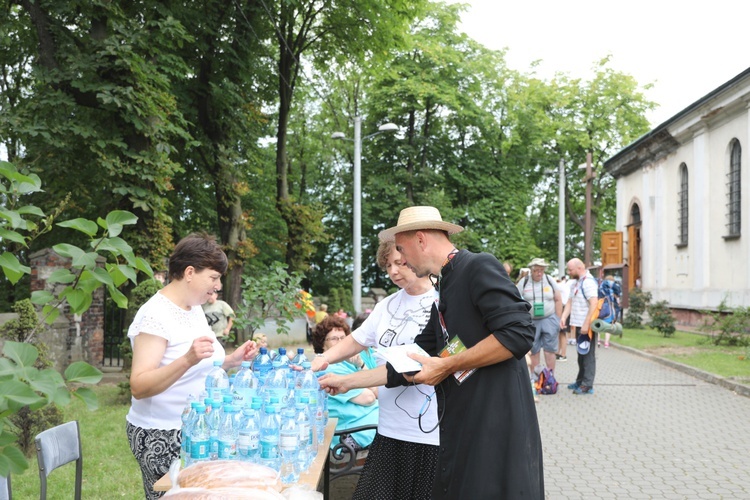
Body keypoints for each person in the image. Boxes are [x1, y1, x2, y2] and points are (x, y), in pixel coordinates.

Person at [380, 206, 544, 499]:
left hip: (496, 424)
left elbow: (518, 334)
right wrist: (344, 381)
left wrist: (447, 365)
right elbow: (414, 358)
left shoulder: (477, 266)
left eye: (402, 250)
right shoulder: (443, 287)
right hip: (463, 425)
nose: (401, 261)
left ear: (421, 240)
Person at [125, 233, 259, 499]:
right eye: (213, 277)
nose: (218, 286)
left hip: (195, 428)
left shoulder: (193, 308)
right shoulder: (155, 315)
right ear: (189, 272)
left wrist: (232, 360)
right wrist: (187, 358)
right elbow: (139, 385)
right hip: (162, 435)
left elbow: (202, 362)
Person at [313, 239, 439, 500]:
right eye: (388, 265)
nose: (393, 271)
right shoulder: (386, 305)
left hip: (430, 433)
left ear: (417, 256)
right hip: (389, 429)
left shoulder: (442, 302)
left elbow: (406, 370)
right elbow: (357, 339)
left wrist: (349, 381)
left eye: (400, 263)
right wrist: (323, 359)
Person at [312, 315, 379, 450]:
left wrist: (360, 365)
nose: (340, 342)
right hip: (353, 433)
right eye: (334, 339)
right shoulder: (329, 368)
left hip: (368, 426)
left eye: (343, 338)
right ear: (322, 343)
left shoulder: (349, 364)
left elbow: (377, 391)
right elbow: (369, 397)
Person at [517, 258, 562, 379]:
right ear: (531, 270)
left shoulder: (549, 280)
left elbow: (558, 299)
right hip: (531, 321)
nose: (539, 273)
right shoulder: (524, 281)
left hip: (549, 318)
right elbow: (516, 301)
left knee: (550, 350)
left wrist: (558, 319)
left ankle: (550, 378)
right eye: (537, 270)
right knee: (534, 349)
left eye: (541, 270)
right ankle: (535, 378)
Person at [559, 258, 598, 395]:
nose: (569, 272)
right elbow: (569, 302)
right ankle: (580, 380)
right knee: (581, 355)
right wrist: (563, 317)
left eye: (570, 270)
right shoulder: (575, 283)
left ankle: (587, 385)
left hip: (587, 326)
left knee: (588, 355)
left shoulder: (588, 282)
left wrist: (586, 324)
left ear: (579, 268)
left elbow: (594, 303)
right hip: (579, 325)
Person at [556, 276, 571, 361]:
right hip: (563, 309)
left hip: (563, 309)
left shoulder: (563, 286)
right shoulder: (566, 286)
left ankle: (563, 354)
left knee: (562, 334)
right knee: (560, 333)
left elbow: (556, 286)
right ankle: (558, 352)